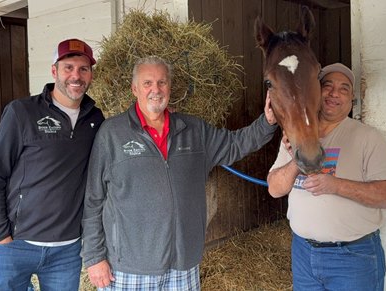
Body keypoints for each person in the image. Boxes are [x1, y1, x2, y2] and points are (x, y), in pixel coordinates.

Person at [80, 55, 277, 290]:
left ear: (170, 88)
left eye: (162, 83)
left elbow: (235, 144)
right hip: (130, 267)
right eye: (147, 83)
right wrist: (94, 257)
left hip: (183, 265)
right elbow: (93, 200)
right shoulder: (111, 134)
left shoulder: (194, 130)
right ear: (134, 89)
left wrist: (267, 122)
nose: (156, 90)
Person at [0, 38, 105, 291]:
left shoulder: (95, 119)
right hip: (16, 243)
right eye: (68, 67)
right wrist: (0, 233)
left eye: (83, 69)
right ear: (54, 71)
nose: (76, 76)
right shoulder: (22, 112)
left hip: (67, 250)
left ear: (91, 74)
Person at [267, 63, 386, 291]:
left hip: (352, 258)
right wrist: (297, 161)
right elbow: (274, 189)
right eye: (327, 86)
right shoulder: (296, 134)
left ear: (351, 100)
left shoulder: (367, 137)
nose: (334, 93)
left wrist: (336, 185)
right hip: (303, 253)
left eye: (344, 89)